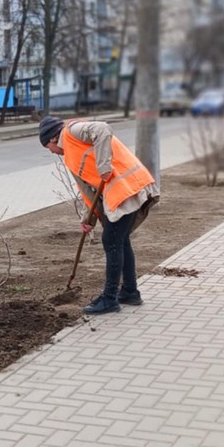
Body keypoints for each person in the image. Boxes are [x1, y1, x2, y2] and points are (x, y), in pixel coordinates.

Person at [39, 115, 160, 314]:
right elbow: (90, 191)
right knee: (121, 241)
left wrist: (104, 165)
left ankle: (110, 299)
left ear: (52, 140)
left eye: (48, 148)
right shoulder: (71, 152)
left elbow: (103, 129)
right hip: (125, 189)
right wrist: (89, 219)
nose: (52, 153)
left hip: (126, 188)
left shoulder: (72, 131)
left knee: (112, 240)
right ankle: (130, 291)